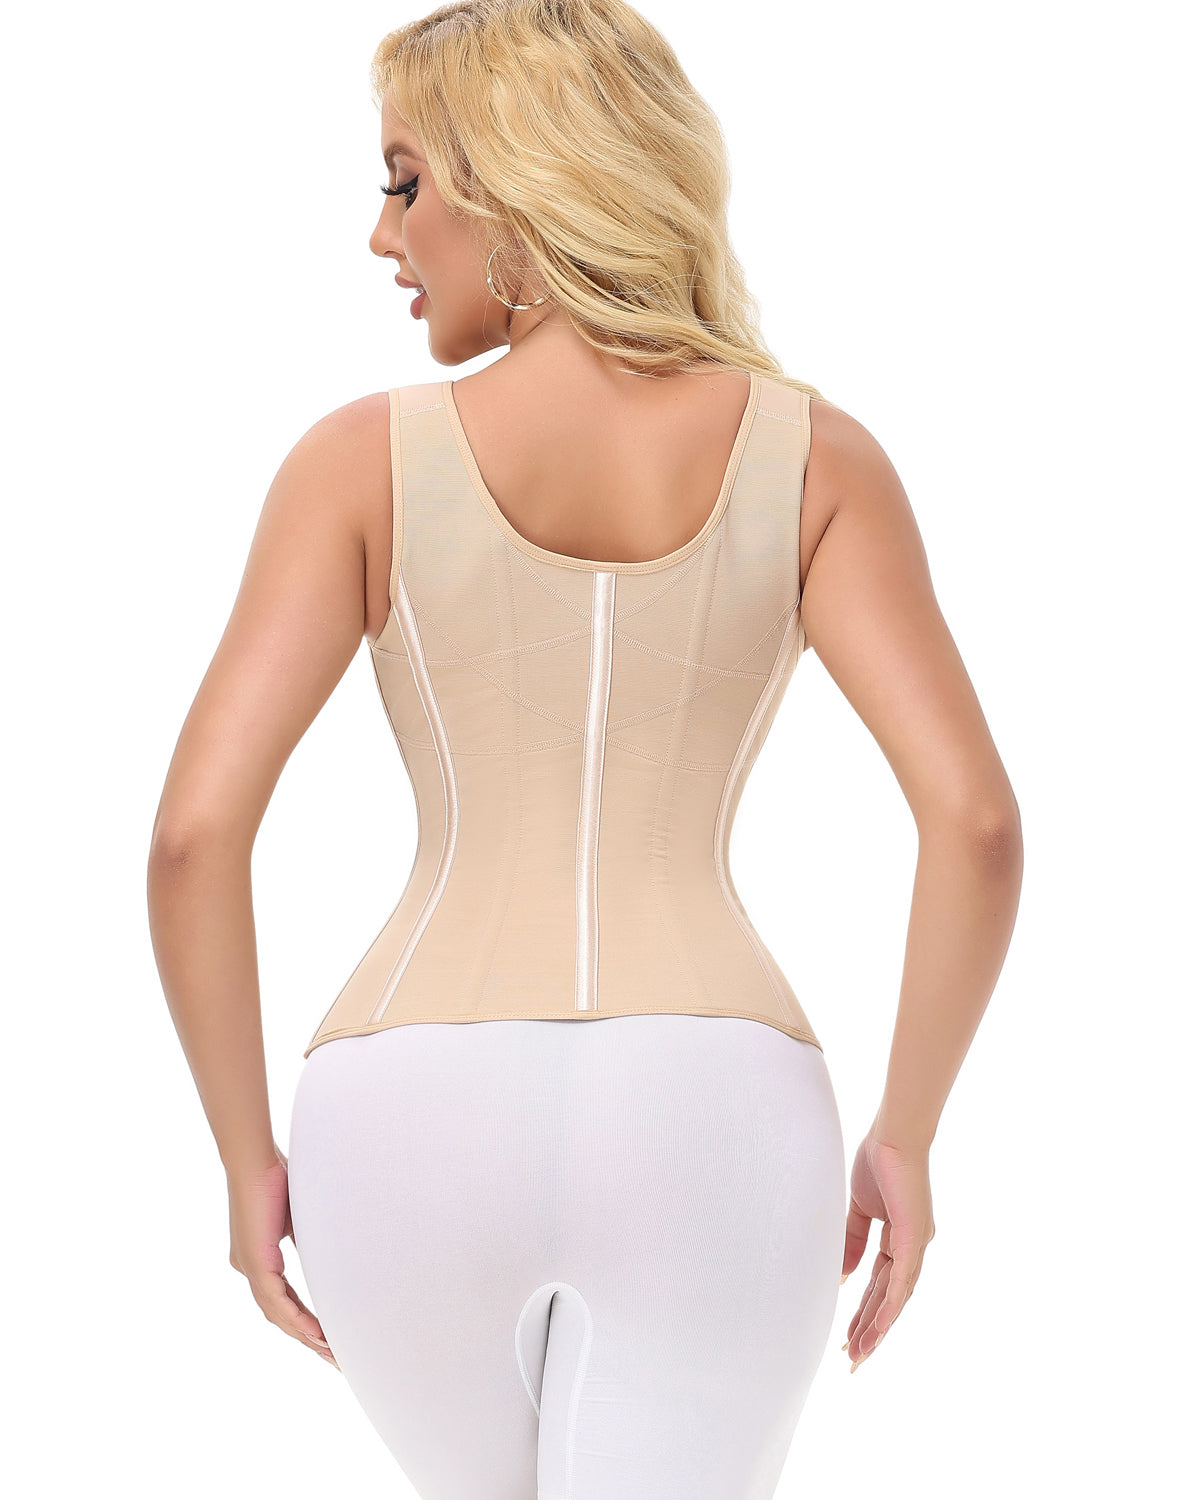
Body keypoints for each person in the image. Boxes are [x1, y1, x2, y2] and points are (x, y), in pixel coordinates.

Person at [146, 2, 1023, 1496]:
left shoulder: (356, 463)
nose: (381, 236)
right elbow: (978, 826)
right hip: (718, 1114)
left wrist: (244, 1157)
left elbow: (191, 838)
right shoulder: (817, 459)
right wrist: (910, 1134)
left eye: (406, 183)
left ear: (517, 183)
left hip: (404, 1112)